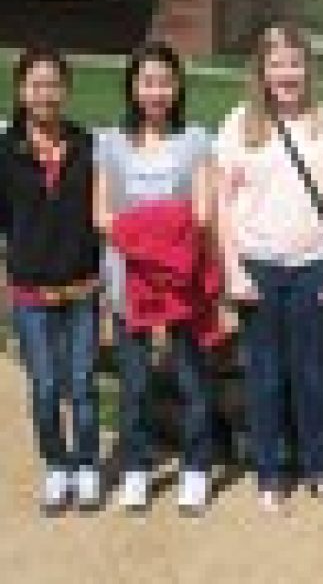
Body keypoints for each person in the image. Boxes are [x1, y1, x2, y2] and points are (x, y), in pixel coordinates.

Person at [214, 24, 323, 512]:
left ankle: (318, 467)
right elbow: (223, 204)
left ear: (307, 68)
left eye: (295, 63)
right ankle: (270, 473)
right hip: (259, 264)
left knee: (312, 373)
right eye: (277, 64)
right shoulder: (238, 124)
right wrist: (233, 269)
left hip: (314, 263)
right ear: (262, 72)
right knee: (265, 376)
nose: (287, 73)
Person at [95, 43, 216, 514]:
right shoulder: (111, 143)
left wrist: (150, 230)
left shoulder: (196, 140)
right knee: (135, 381)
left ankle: (195, 468)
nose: (156, 92)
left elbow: (203, 213)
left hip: (183, 277)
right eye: (147, 81)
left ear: (178, 86)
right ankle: (137, 468)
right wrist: (156, 234)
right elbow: (102, 214)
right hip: (130, 277)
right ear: (132, 85)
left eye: (165, 81)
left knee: (192, 378)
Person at [0, 48, 102, 514]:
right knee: (44, 386)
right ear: (21, 90)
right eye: (36, 84)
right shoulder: (6, 150)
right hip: (29, 290)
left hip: (81, 286)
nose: (45, 93)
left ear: (66, 89)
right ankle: (56, 465)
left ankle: (86, 464)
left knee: (81, 384)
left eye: (53, 84)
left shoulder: (86, 144)